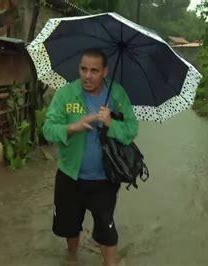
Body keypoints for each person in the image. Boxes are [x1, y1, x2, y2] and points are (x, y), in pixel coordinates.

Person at [42, 48, 138, 266]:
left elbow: (132, 130)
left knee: (107, 229)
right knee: (69, 227)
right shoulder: (66, 94)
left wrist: (111, 123)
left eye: (94, 71)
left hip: (105, 178)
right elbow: (48, 129)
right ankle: (73, 257)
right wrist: (72, 127)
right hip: (70, 176)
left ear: (105, 72)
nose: (87, 75)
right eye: (83, 69)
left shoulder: (117, 95)